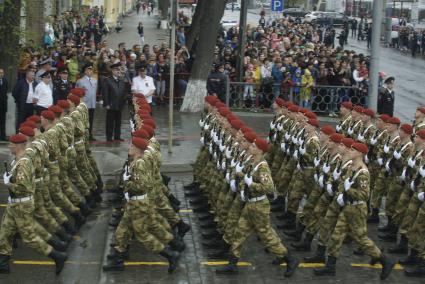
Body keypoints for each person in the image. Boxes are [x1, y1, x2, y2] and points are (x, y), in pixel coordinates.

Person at [0, 134, 67, 275]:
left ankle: (56, 255)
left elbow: (24, 188)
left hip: (21, 205)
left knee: (29, 238)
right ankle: (3, 264)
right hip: (14, 204)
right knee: (5, 233)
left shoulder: (24, 163)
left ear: (18, 146)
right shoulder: (17, 161)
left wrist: (9, 183)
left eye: (11, 144)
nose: (9, 146)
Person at [102, 63, 128, 142]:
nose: (118, 71)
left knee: (118, 122)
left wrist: (123, 102)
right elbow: (105, 93)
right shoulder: (108, 80)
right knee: (110, 122)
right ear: (112, 71)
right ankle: (109, 137)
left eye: (118, 70)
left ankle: (117, 136)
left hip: (119, 105)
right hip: (111, 104)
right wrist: (106, 104)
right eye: (116, 70)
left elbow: (124, 92)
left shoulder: (121, 80)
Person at [76, 63, 98, 141]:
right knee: (83, 120)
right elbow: (77, 93)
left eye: (91, 70)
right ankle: (83, 135)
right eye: (88, 69)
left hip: (92, 104)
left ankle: (90, 134)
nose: (90, 71)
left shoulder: (95, 81)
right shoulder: (80, 81)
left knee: (91, 120)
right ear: (85, 71)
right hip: (84, 104)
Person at [0, 69, 8, 140]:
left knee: (3, 121)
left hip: (3, 105)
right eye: (0, 73)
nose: (1, 74)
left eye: (2, 73)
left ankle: (2, 136)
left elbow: (6, 91)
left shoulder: (5, 81)